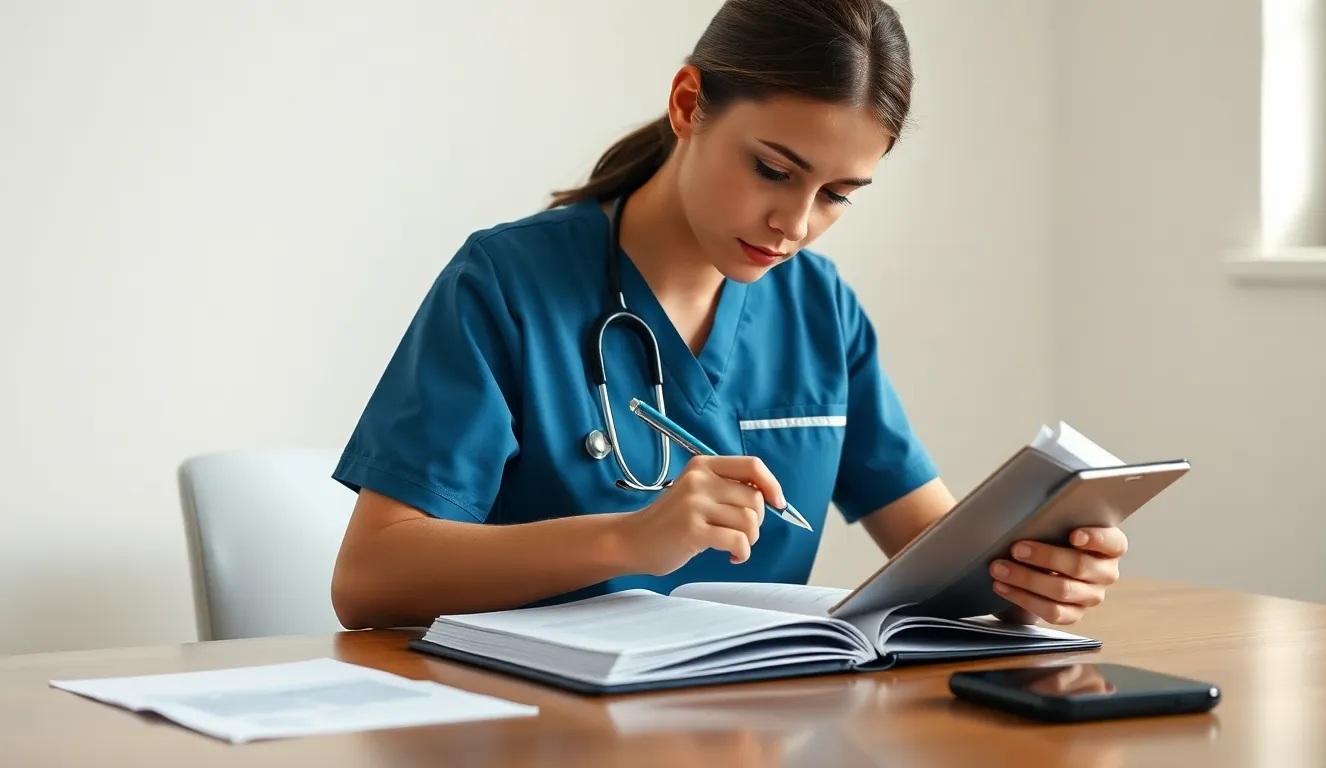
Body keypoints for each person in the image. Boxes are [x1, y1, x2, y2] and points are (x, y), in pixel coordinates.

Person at [328, 0, 1127, 631]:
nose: (796, 224)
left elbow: (938, 552)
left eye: (838, 195)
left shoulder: (819, 309)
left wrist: (1032, 574)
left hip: (755, 731)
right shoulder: (507, 284)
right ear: (688, 104)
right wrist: (628, 538)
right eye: (773, 170)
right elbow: (369, 580)